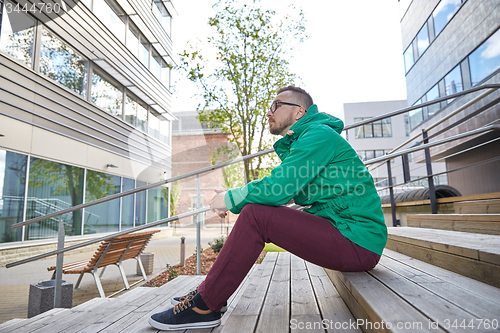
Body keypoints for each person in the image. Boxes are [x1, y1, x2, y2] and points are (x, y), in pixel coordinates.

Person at [149, 86, 388, 331]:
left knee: (256, 216)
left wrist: (232, 199)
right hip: (346, 232)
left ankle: (204, 306)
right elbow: (281, 193)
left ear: (299, 112)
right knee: (256, 212)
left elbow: (280, 188)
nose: (269, 112)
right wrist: (234, 199)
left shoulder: (319, 136)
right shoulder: (311, 138)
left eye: (276, 105)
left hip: (357, 241)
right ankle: (209, 295)